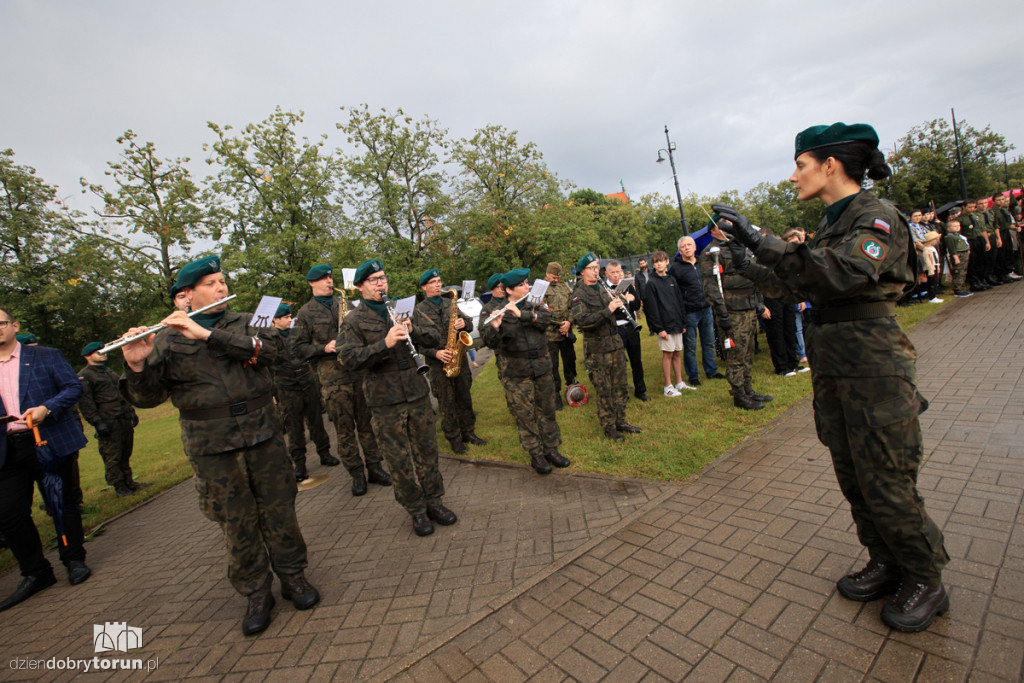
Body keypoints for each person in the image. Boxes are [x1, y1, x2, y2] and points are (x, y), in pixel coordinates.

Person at [713, 121, 949, 633]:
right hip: (838, 370)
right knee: (853, 475)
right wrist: (748, 260)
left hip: (874, 371)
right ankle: (886, 561)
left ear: (830, 165)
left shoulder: (875, 217)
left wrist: (761, 237)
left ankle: (926, 578)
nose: (793, 175)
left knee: (886, 477)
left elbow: (839, 273)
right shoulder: (832, 221)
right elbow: (801, 281)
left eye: (800, 165)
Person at [121, 255, 319, 636]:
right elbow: (148, 399)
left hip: (262, 434)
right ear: (187, 295)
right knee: (236, 521)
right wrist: (136, 366)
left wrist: (209, 335)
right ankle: (256, 592)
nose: (222, 287)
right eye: (211, 283)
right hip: (212, 447)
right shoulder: (165, 338)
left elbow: (274, 352)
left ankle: (293, 577)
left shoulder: (249, 320)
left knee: (280, 510)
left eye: (222, 280)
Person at [338, 259, 457, 538]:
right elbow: (347, 358)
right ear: (359, 287)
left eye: (383, 278)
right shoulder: (353, 320)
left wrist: (413, 329)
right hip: (385, 400)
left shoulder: (401, 310)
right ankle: (415, 510)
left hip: (416, 393)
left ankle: (434, 501)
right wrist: (384, 344)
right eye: (374, 280)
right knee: (398, 460)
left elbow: (433, 336)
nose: (381, 283)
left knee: (427, 451)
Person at [0, 306, 92, 612]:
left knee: (61, 503)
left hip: (48, 440)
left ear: (14, 325)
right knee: (10, 514)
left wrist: (46, 408)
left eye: (0, 323)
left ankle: (73, 560)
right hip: (8, 449)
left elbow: (73, 387)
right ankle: (36, 572)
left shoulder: (45, 356)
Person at [292, 265, 390, 497]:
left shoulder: (344, 304)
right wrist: (322, 348)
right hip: (333, 379)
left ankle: (375, 467)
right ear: (311, 283)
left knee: (367, 424)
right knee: (344, 430)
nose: (328, 281)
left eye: (330, 277)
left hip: (358, 373)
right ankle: (356, 473)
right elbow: (296, 348)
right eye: (323, 278)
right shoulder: (305, 313)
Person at [482, 268, 569, 474]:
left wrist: (522, 314)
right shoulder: (495, 310)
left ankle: (551, 449)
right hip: (517, 373)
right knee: (525, 415)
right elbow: (489, 342)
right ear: (509, 290)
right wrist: (494, 327)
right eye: (521, 285)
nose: (527, 287)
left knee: (547, 410)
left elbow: (546, 319)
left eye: (526, 283)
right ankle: (536, 454)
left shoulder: (535, 304)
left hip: (542, 367)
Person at [700, 226, 773, 410]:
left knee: (748, 351)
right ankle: (739, 394)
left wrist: (757, 301)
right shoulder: (711, 253)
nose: (729, 228)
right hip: (732, 311)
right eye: (723, 225)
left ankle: (748, 389)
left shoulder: (738, 247)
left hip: (748, 306)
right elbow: (711, 287)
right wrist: (721, 312)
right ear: (714, 230)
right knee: (736, 353)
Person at [570, 253, 640, 441]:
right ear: (583, 271)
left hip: (614, 344)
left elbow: (611, 312)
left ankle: (621, 420)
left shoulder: (602, 288)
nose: (596, 271)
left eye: (596, 267)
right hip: (597, 349)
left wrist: (620, 302)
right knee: (604, 390)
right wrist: (608, 310)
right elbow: (583, 321)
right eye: (592, 268)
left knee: (620, 386)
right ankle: (609, 426)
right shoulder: (579, 294)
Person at [415, 269, 485, 454]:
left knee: (464, 397)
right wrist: (435, 353)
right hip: (438, 363)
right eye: (433, 282)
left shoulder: (450, 302)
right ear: (424, 287)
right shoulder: (419, 311)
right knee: (446, 402)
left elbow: (469, 324)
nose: (438, 285)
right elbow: (416, 342)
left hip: (458, 358)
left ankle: (468, 432)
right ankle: (453, 438)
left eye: (439, 281)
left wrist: (464, 324)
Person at [270, 304, 333, 482]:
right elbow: (266, 367)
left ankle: (324, 452)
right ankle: (299, 463)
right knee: (294, 426)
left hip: (306, 380)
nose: (290, 320)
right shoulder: (269, 338)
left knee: (316, 419)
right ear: (275, 320)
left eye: (290, 316)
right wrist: (271, 393)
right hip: (287, 386)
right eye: (286, 317)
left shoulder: (296, 334)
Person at [78, 341, 145, 497]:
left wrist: (131, 411)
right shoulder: (85, 375)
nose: (103, 353)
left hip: (121, 415)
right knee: (112, 454)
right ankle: (119, 485)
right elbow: (86, 402)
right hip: (107, 418)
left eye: (104, 350)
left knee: (126, 450)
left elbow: (121, 392)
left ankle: (129, 481)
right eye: (98, 352)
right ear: (88, 356)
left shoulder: (108, 371)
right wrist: (97, 421)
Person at [670, 236, 724, 386]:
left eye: (689, 245)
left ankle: (711, 370)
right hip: (689, 312)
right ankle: (693, 375)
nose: (687, 248)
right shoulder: (676, 269)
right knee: (691, 346)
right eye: (684, 246)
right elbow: (674, 293)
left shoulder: (703, 262)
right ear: (680, 251)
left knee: (708, 342)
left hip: (706, 308)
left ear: (695, 247)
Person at [642, 251, 688, 397]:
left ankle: (679, 382)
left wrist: (683, 322)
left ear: (667, 262)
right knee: (667, 354)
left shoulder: (672, 279)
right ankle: (668, 386)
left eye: (661, 261)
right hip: (664, 326)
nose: (659, 264)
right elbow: (651, 308)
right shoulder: (651, 283)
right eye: (656, 262)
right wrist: (659, 328)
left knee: (677, 353)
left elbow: (679, 302)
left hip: (677, 324)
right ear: (653, 265)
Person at [605, 260, 649, 401]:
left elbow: (636, 305)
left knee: (636, 360)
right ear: (606, 273)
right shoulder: (603, 289)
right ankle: (622, 392)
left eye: (619, 272)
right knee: (618, 364)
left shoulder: (627, 286)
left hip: (631, 327)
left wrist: (628, 300)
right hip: (615, 329)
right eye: (613, 272)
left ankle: (640, 390)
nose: (617, 275)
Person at [541, 262, 577, 410]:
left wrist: (568, 322)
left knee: (570, 361)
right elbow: (542, 311)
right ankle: (555, 395)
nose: (556, 279)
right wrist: (559, 324)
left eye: (558, 277)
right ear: (547, 274)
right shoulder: (541, 288)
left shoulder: (565, 287)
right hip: (551, 336)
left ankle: (573, 388)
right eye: (553, 277)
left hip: (566, 333)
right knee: (553, 366)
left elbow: (572, 306)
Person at [942, 219, 972, 297]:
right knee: (958, 272)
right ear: (949, 228)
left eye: (958, 226)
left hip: (964, 253)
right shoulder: (950, 237)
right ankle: (958, 289)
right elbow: (952, 249)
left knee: (963, 272)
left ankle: (962, 288)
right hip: (958, 255)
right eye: (954, 226)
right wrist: (955, 257)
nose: (957, 228)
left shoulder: (958, 235)